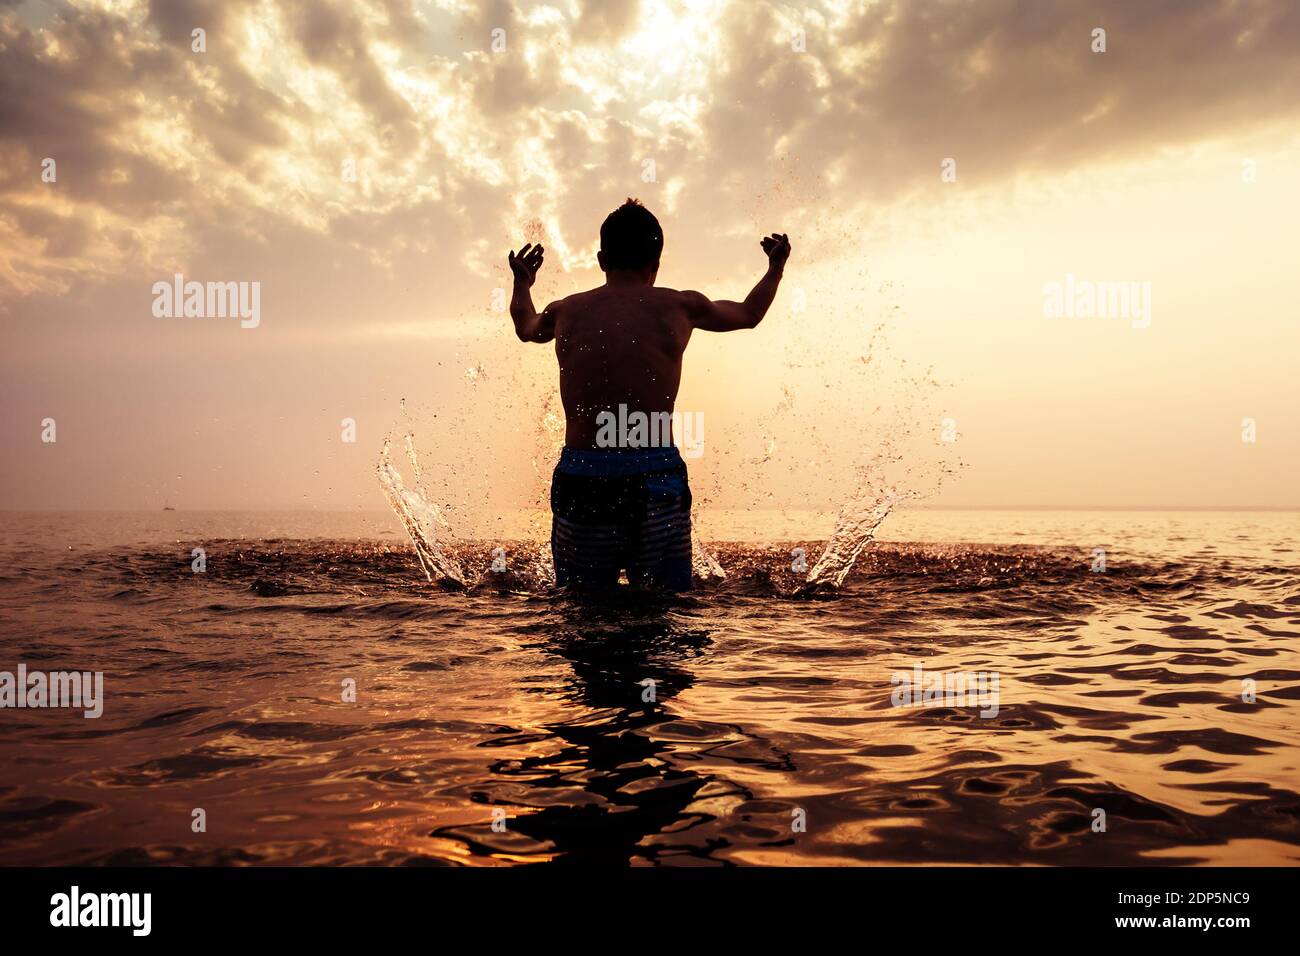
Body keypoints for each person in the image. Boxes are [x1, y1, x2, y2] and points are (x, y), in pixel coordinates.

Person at [508, 198, 791, 591]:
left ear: (601, 259)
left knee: (581, 608)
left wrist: (522, 282)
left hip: (584, 477)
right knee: (666, 608)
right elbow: (748, 314)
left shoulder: (566, 310)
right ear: (655, 263)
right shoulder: (680, 304)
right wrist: (774, 269)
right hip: (653, 475)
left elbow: (525, 326)